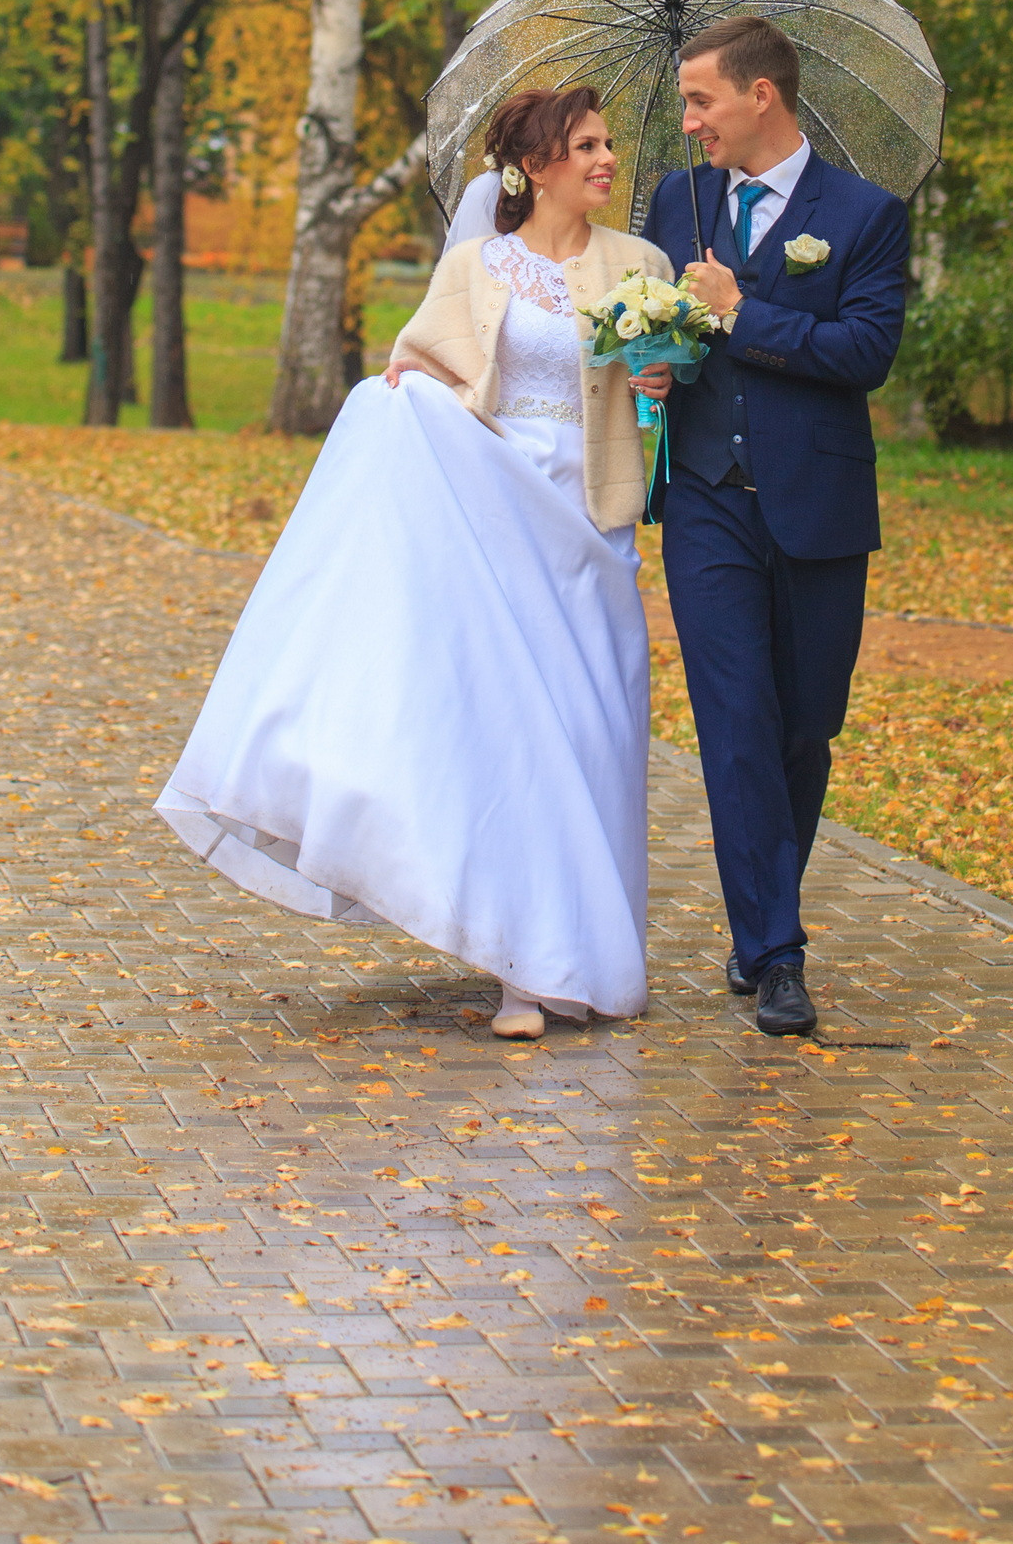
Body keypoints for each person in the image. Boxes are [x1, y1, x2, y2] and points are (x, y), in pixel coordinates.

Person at [156, 85, 674, 1041]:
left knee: (594, 726)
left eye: (609, 144)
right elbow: (419, 369)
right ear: (534, 167)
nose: (608, 160)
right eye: (588, 146)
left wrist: (662, 376)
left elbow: (664, 382)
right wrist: (403, 392)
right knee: (515, 731)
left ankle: (588, 940)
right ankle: (529, 968)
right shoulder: (477, 266)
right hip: (490, 509)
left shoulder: (639, 263)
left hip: (591, 519)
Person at [644, 15, 911, 1038]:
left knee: (804, 728)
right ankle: (775, 951)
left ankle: (763, 910)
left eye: (700, 99)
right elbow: (660, 323)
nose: (688, 121)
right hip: (705, 500)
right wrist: (658, 360)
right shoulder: (681, 200)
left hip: (817, 506)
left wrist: (738, 316)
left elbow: (863, 352)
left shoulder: (864, 215)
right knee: (736, 727)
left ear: (762, 94)